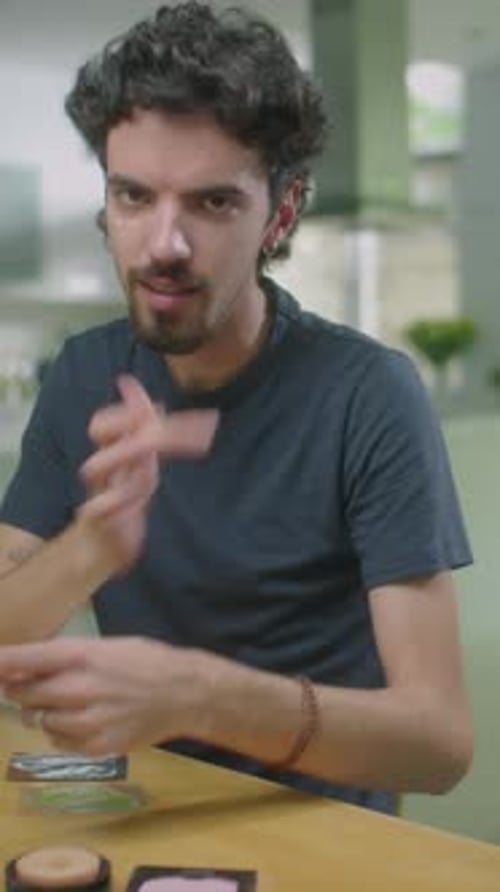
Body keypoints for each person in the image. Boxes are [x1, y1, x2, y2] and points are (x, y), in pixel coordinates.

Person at [0, 1, 473, 815]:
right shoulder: (85, 372)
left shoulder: (368, 394)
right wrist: (91, 545)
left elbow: (438, 744)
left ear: (278, 215)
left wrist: (198, 695)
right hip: (150, 808)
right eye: (134, 196)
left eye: (212, 203)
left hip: (324, 835)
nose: (163, 244)